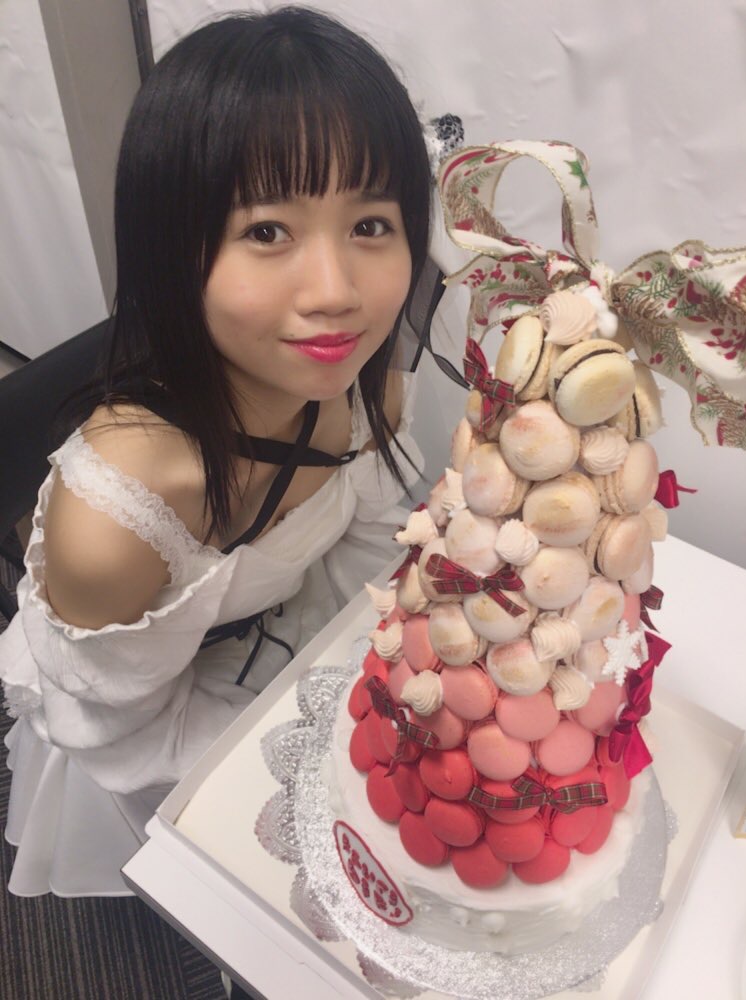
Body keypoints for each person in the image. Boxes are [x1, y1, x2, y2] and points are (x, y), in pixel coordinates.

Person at [0, 6, 434, 898]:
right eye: (267, 231)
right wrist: (328, 775)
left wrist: (383, 694)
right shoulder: (119, 516)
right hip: (149, 735)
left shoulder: (370, 390)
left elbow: (365, 553)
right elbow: (130, 739)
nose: (336, 292)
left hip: (279, 663)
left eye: (370, 225)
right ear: (173, 249)